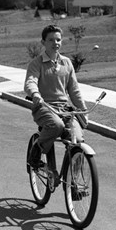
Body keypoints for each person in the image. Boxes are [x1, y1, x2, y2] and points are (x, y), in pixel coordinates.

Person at [24, 24, 88, 184]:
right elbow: (30, 82)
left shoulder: (67, 63)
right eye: (51, 39)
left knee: (78, 141)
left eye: (58, 39)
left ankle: (74, 183)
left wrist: (83, 111)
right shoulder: (36, 63)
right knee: (56, 126)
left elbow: (74, 90)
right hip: (44, 107)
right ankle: (35, 154)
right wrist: (35, 94)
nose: (55, 43)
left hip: (64, 109)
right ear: (43, 42)